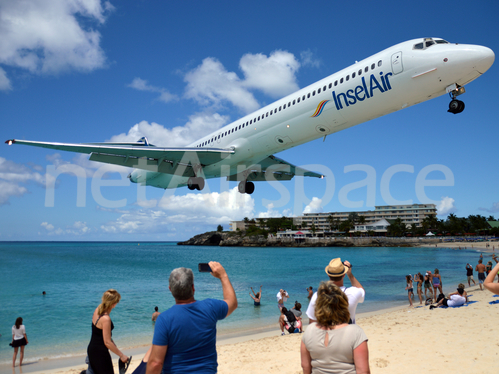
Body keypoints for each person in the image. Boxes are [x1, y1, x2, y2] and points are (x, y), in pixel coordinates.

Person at [146, 262, 237, 374]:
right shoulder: (210, 308)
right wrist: (223, 276)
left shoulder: (164, 319)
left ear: (171, 290)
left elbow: (156, 363)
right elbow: (232, 303)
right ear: (193, 288)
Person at [301, 282, 370, 374]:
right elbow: (363, 371)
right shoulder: (355, 332)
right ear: (343, 304)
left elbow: (305, 367)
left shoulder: (309, 330)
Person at [306, 258, 365, 324]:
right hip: (348, 332)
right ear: (344, 275)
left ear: (328, 275)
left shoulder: (317, 295)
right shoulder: (353, 293)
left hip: (327, 333)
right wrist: (350, 274)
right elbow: (361, 290)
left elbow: (312, 322)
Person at [87, 289, 130, 374]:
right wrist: (121, 355)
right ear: (113, 304)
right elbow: (107, 342)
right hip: (100, 353)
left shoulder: (98, 309)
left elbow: (101, 335)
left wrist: (114, 347)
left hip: (92, 349)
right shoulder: (106, 319)